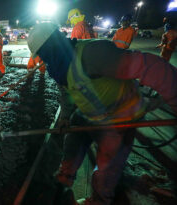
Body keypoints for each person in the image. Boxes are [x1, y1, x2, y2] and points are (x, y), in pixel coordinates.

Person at [27, 23, 177, 205]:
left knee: (107, 169)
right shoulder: (59, 67)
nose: (43, 60)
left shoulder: (93, 54)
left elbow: (153, 68)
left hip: (119, 117)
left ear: (53, 45)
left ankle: (99, 199)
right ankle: (64, 180)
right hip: (93, 114)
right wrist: (65, 117)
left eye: (43, 54)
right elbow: (67, 93)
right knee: (74, 136)